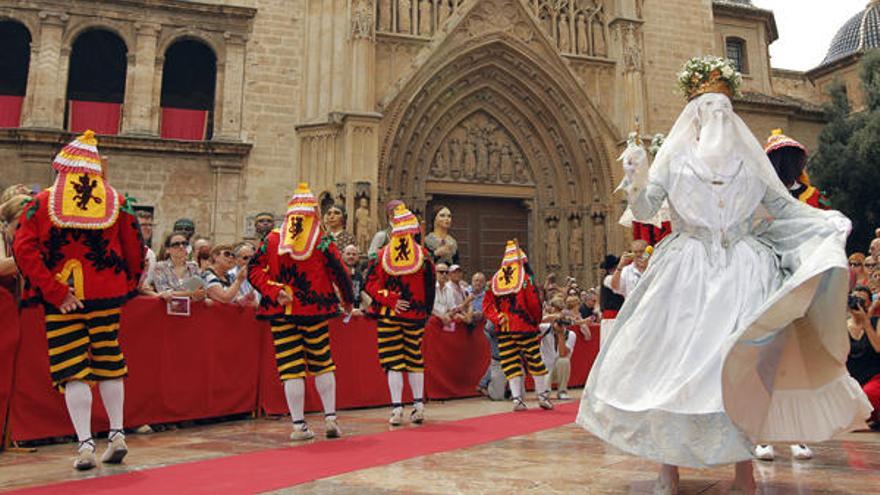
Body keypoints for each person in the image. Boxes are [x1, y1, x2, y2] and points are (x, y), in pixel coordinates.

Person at [577, 57, 871, 494]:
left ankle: (744, 474)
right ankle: (668, 469)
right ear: (693, 118)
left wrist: (826, 222)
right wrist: (635, 175)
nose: (717, 118)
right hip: (685, 274)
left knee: (738, 371)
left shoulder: (751, 167)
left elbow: (785, 209)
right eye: (708, 110)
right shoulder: (674, 164)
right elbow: (641, 211)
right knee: (671, 367)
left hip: (743, 273)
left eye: (724, 111)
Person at [12, 131, 145, 470]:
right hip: (106, 294)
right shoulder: (118, 200)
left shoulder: (40, 202)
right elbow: (136, 247)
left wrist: (53, 289)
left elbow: (23, 250)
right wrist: (126, 284)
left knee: (72, 369)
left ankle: (85, 443)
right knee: (109, 361)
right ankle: (116, 434)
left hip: (62, 298)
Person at [248, 183, 354, 441]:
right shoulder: (322, 239)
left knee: (290, 367)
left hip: (281, 310)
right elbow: (340, 271)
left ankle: (298, 425)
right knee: (322, 363)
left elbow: (253, 270)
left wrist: (273, 290)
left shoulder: (272, 239)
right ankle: (330, 418)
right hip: (314, 309)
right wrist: (348, 301)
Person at [755, 129, 830, 462]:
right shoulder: (761, 196)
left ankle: (797, 433)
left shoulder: (811, 196)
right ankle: (760, 432)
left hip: (800, 278)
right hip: (766, 279)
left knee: (795, 360)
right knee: (764, 358)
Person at [364, 203, 436, 425]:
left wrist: (390, 298)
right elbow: (430, 287)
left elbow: (369, 284)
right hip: (415, 315)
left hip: (389, 315)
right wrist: (425, 312)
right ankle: (418, 406)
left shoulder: (381, 255)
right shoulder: (423, 256)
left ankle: (397, 408)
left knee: (393, 360)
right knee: (415, 358)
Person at [482, 240, 553, 412]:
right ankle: (542, 396)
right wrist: (535, 321)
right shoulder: (526, 279)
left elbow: (487, 304)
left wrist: (497, 318)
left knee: (511, 362)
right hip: (524, 327)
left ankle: (517, 400)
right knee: (535, 360)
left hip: (504, 328)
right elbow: (534, 304)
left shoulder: (495, 279)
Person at [765, 129, 830, 209]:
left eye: (789, 159)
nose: (786, 164)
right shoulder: (768, 196)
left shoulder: (814, 195)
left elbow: (829, 214)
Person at [847, 286, 880, 430]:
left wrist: (866, 323)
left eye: (861, 300)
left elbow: (878, 348)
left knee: (868, 394)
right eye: (854, 299)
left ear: (868, 303)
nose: (857, 303)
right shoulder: (842, 325)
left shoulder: (876, 322)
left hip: (874, 376)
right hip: (851, 378)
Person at [149, 232, 208, 303]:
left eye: (184, 243)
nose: (181, 246)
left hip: (191, 310)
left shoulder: (193, 266)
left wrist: (199, 294)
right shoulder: (160, 267)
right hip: (167, 310)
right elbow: (165, 293)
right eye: (176, 245)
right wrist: (191, 293)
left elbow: (201, 291)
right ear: (168, 249)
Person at [229, 242, 260, 307]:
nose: (249, 261)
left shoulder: (260, 274)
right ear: (236, 260)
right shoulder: (230, 275)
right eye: (245, 258)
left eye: (252, 257)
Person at [341, 243, 366, 315]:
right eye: (348, 254)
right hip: (339, 314)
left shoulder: (359, 275)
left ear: (358, 257)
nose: (351, 256)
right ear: (343, 255)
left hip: (356, 315)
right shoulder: (336, 273)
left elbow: (362, 295)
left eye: (354, 254)